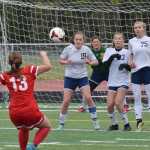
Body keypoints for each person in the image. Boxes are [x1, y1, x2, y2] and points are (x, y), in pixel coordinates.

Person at [0, 51, 52, 150]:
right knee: (46, 126)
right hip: (30, 110)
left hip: (14, 113)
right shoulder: (30, 70)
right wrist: (44, 55)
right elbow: (48, 66)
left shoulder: (5, 75)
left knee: (24, 129)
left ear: (9, 62)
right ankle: (32, 146)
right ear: (21, 61)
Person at [57, 31, 100, 130]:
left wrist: (90, 62)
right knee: (66, 101)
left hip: (82, 77)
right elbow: (60, 60)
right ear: (74, 40)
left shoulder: (86, 49)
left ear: (83, 41)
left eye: (80, 40)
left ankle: (95, 122)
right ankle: (61, 123)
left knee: (88, 98)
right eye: (76, 39)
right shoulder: (68, 49)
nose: (78, 41)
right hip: (70, 78)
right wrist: (66, 62)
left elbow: (96, 62)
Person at [103, 32, 132, 131]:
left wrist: (125, 66)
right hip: (112, 82)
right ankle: (114, 124)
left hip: (123, 81)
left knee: (118, 102)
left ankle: (127, 124)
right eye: (116, 38)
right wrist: (112, 57)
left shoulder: (127, 52)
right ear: (113, 41)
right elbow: (104, 66)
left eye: (120, 39)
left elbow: (131, 68)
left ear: (123, 41)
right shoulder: (108, 51)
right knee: (109, 105)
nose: (118, 40)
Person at [77, 36, 109, 112]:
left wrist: (89, 61)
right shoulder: (89, 51)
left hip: (108, 72)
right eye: (94, 42)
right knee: (88, 89)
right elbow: (82, 58)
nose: (96, 43)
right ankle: (83, 106)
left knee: (116, 87)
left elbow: (100, 62)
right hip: (96, 74)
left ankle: (125, 105)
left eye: (97, 42)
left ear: (100, 43)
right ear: (92, 43)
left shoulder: (104, 50)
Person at [128, 21, 150, 131]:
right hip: (135, 71)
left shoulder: (149, 40)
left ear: (144, 28)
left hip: (147, 69)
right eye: (135, 27)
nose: (137, 29)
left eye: (139, 27)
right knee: (137, 97)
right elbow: (130, 55)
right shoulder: (131, 41)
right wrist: (130, 62)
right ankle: (139, 121)